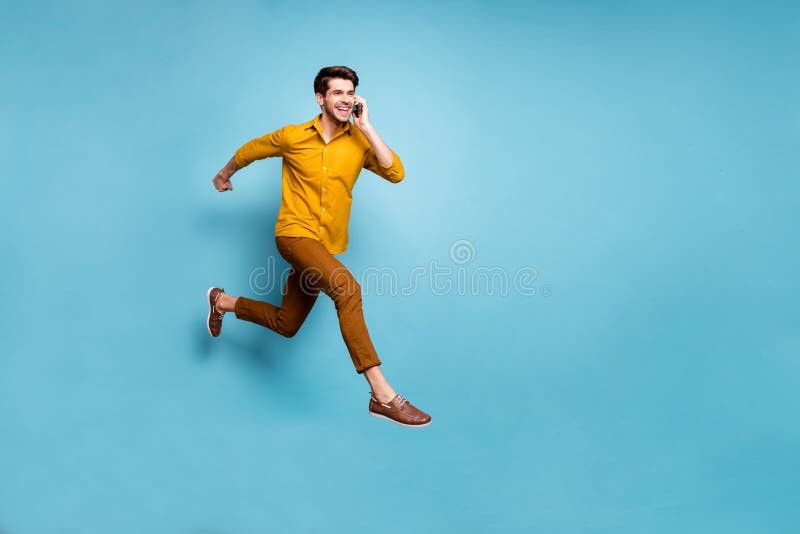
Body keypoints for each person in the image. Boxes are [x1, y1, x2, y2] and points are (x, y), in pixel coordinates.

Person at [206, 66, 431, 428]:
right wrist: (224, 174)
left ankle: (221, 301)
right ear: (320, 98)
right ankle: (383, 395)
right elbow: (250, 150)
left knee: (287, 323)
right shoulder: (293, 136)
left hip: (324, 247)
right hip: (293, 235)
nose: (346, 99)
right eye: (338, 93)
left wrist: (367, 128)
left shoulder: (359, 143)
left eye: (351, 93)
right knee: (347, 289)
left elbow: (395, 172)